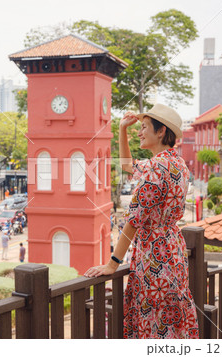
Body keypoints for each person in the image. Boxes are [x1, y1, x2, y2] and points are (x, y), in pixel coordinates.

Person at [84, 103, 199, 339]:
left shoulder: (156, 168)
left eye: (144, 127)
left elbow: (133, 221)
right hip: (173, 252)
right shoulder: (177, 164)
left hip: (155, 257)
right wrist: (122, 130)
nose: (140, 131)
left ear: (160, 131)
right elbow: (127, 165)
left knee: (154, 322)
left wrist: (112, 264)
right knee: (171, 321)